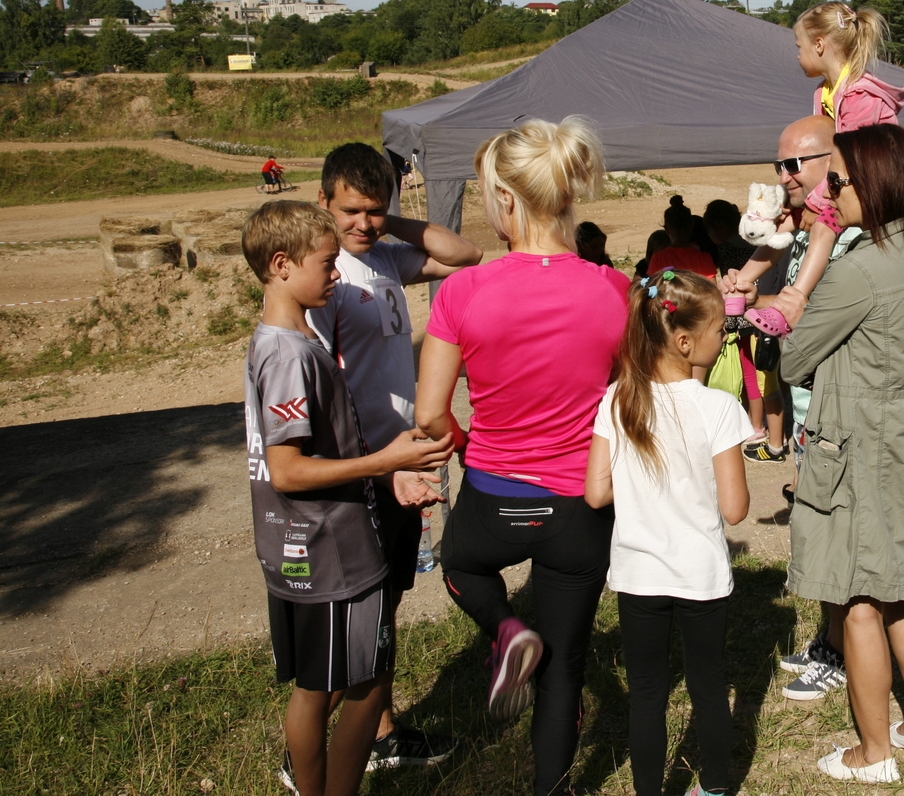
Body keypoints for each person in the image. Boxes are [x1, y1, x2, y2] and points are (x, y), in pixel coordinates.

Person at [414, 117, 629, 796]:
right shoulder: (613, 290)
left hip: (492, 497)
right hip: (580, 504)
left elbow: (427, 414)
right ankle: (553, 788)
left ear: (506, 200)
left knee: (460, 565)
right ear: (566, 195)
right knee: (566, 663)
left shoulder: (462, 292)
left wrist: (468, 442)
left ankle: (506, 630)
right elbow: (630, 403)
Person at [239, 201, 453, 796]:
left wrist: (387, 480)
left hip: (306, 543)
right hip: (331, 549)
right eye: (328, 264)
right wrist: (389, 460)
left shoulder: (279, 341)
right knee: (360, 685)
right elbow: (287, 470)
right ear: (282, 265)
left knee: (316, 684)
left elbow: (323, 445)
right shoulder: (289, 355)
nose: (337, 275)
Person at [780, 123, 904, 783]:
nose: (830, 191)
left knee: (858, 600)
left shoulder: (861, 271)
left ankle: (873, 751)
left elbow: (795, 359)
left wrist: (796, 292)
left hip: (858, 449)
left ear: (875, 184)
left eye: (840, 181)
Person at [306, 142, 483, 773]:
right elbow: (324, 388)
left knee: (388, 606)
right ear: (322, 202)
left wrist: (389, 221)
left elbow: (465, 254)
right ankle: (311, 752)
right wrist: (383, 462)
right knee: (360, 614)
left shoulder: (382, 257)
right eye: (349, 210)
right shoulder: (323, 278)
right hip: (371, 466)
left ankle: (379, 732)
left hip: (401, 464)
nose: (362, 223)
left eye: (373, 211)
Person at [583, 268, 753, 796]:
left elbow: (595, 493)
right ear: (683, 340)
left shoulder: (617, 399)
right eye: (721, 328)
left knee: (647, 694)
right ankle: (716, 788)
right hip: (700, 574)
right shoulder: (719, 407)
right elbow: (735, 510)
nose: (726, 336)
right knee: (706, 687)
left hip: (638, 574)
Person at [726, 114, 859, 701]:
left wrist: (762, 298)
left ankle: (850, 650)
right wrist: (745, 276)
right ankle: (833, 640)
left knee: (838, 531)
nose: (782, 176)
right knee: (817, 525)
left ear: (833, 159)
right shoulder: (803, 220)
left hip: (842, 401)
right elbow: (764, 265)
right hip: (809, 403)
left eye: (793, 164)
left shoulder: (850, 229)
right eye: (777, 165)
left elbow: (816, 306)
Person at [735, 2, 904, 337]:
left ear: (819, 44)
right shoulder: (826, 92)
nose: (798, 56)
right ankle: (741, 281)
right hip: (842, 181)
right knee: (787, 221)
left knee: (822, 227)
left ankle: (793, 300)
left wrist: (818, 202)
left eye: (799, 47)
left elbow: (852, 158)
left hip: (867, 184)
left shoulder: (858, 95)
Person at [704, 199, 784, 457]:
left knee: (753, 373)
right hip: (767, 311)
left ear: (717, 225)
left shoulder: (728, 247)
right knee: (761, 375)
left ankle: (758, 428)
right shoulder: (759, 244)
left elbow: (733, 281)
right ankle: (758, 426)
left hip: (744, 315)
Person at [648, 197, 717, 278]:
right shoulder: (704, 258)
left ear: (666, 229)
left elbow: (651, 286)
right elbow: (712, 288)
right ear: (691, 226)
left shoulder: (658, 258)